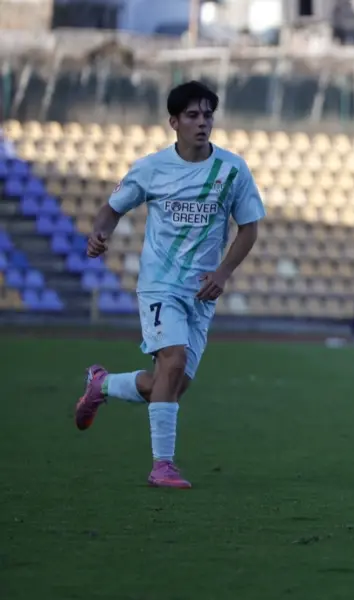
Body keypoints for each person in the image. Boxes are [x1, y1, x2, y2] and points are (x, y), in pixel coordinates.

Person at [73, 80, 266, 490]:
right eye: (193, 116)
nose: (202, 123)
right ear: (173, 122)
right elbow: (111, 209)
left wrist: (223, 273)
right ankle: (163, 466)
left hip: (202, 290)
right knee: (173, 362)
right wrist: (99, 235)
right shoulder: (151, 168)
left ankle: (101, 384)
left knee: (173, 384)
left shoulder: (232, 169)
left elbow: (249, 229)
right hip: (160, 283)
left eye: (208, 115)